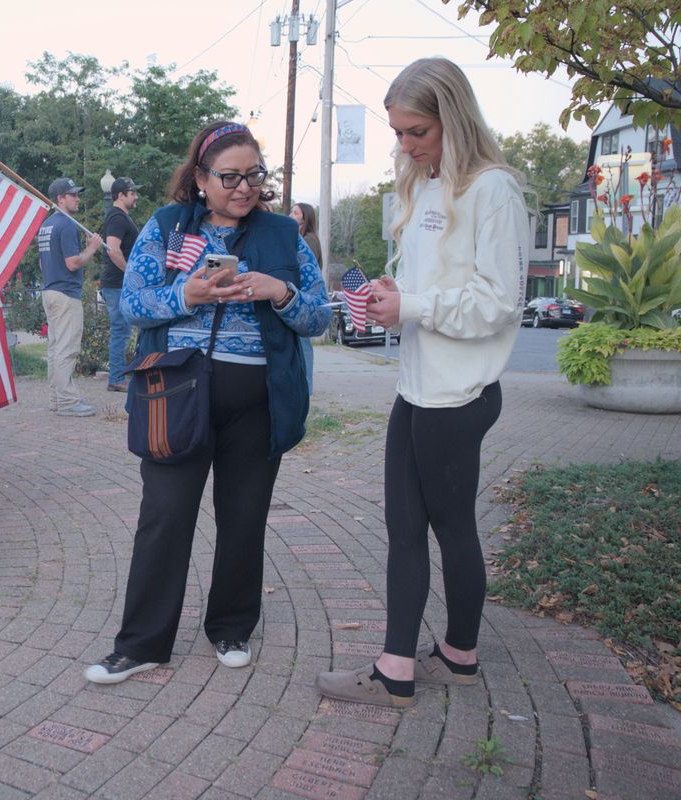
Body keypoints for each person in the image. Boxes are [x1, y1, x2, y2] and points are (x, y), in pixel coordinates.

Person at [315, 58, 529, 708]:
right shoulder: (428, 187)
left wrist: (412, 305)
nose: (405, 146)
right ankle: (422, 661)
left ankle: (429, 663)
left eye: (418, 132)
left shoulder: (492, 190)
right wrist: (396, 292)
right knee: (407, 526)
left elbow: (500, 303)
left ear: (453, 121)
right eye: (398, 133)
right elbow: (437, 286)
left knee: (450, 528)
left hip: (458, 394)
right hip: (418, 387)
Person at [84, 120, 330, 684]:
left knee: (244, 517)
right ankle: (141, 643)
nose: (244, 188)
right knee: (165, 516)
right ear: (200, 177)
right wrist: (186, 294)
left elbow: (319, 316)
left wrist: (280, 292)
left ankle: (231, 627)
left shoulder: (283, 235)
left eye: (253, 176)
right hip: (177, 396)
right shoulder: (168, 226)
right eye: (229, 177)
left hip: (258, 402)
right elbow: (134, 304)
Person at [36, 177, 102, 417]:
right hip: (65, 293)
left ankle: (56, 399)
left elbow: (42, 264)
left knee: (55, 348)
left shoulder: (46, 225)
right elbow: (72, 263)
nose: (77, 198)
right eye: (72, 194)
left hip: (50, 290)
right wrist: (92, 248)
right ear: (60, 199)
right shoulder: (67, 225)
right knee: (67, 348)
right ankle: (67, 401)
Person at [98, 177, 141, 392]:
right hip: (117, 284)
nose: (136, 197)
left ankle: (119, 375)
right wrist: (130, 274)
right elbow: (112, 250)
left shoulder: (119, 217)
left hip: (117, 283)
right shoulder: (116, 218)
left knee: (124, 329)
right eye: (132, 193)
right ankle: (116, 378)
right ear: (120, 195)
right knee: (120, 330)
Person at [289, 202, 321, 395]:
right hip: (299, 297)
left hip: (306, 299)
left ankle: (306, 387)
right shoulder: (300, 237)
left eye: (295, 212)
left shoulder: (309, 240)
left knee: (303, 343)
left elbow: (304, 268)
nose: (290, 215)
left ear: (305, 217)